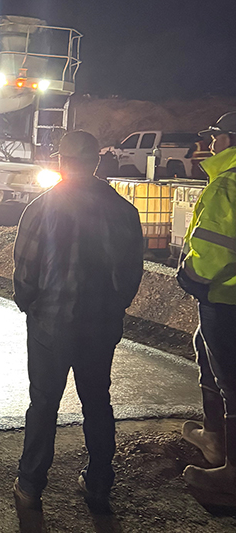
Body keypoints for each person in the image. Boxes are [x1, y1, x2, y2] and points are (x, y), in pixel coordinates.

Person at [12, 131, 144, 512]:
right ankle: (99, 482)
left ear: (61, 161)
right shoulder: (123, 210)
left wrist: (30, 305)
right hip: (100, 326)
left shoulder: (41, 208)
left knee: (44, 404)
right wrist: (114, 307)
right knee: (97, 402)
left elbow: (25, 271)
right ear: (97, 162)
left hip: (50, 326)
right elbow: (130, 273)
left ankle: (31, 483)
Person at [177, 112, 236, 496]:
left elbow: (215, 250)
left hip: (225, 297)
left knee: (230, 378)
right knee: (205, 351)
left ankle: (231, 471)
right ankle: (213, 436)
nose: (210, 143)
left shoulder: (226, 185)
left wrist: (189, 278)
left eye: (216, 136)